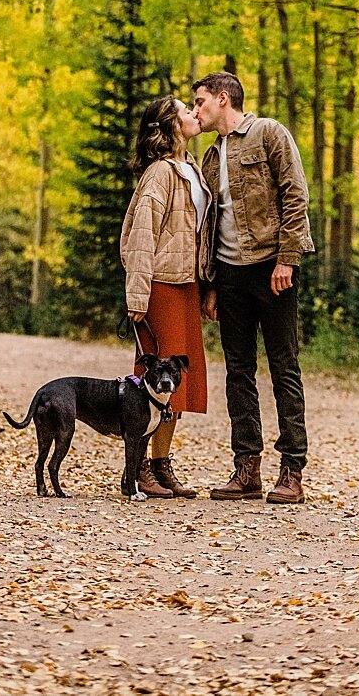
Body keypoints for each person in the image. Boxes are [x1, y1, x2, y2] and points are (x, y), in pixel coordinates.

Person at [191, 71, 314, 504]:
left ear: (224, 99)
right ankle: (247, 470)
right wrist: (209, 285)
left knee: (284, 368)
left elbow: (295, 196)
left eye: (201, 101)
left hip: (271, 269)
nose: (196, 110)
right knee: (238, 372)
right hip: (229, 276)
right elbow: (207, 226)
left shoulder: (268, 134)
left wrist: (287, 259)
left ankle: (292, 470)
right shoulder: (209, 156)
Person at [118, 95, 210, 499]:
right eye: (184, 110)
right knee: (156, 378)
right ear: (168, 126)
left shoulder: (191, 169)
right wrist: (137, 296)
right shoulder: (159, 173)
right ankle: (138, 468)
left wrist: (207, 288)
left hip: (186, 283)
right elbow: (140, 238)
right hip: (160, 286)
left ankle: (160, 464)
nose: (193, 113)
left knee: (179, 383)